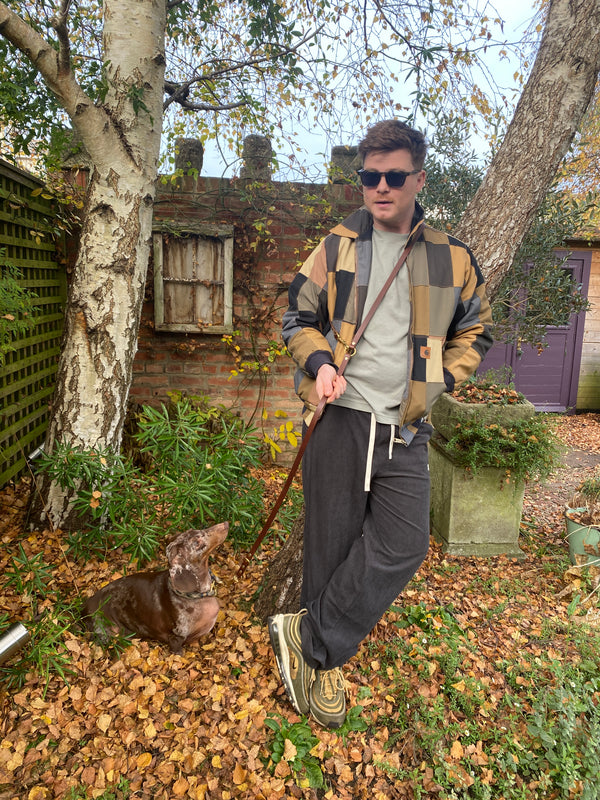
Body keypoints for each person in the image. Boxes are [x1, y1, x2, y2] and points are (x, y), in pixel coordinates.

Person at [268, 119, 493, 728]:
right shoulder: (337, 245)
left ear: (419, 179)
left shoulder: (452, 257)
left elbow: (475, 329)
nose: (381, 187)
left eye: (394, 176)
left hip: (406, 428)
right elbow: (297, 319)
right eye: (370, 177)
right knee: (330, 548)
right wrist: (319, 364)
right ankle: (324, 664)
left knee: (405, 544)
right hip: (340, 419)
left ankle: (309, 637)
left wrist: (441, 379)